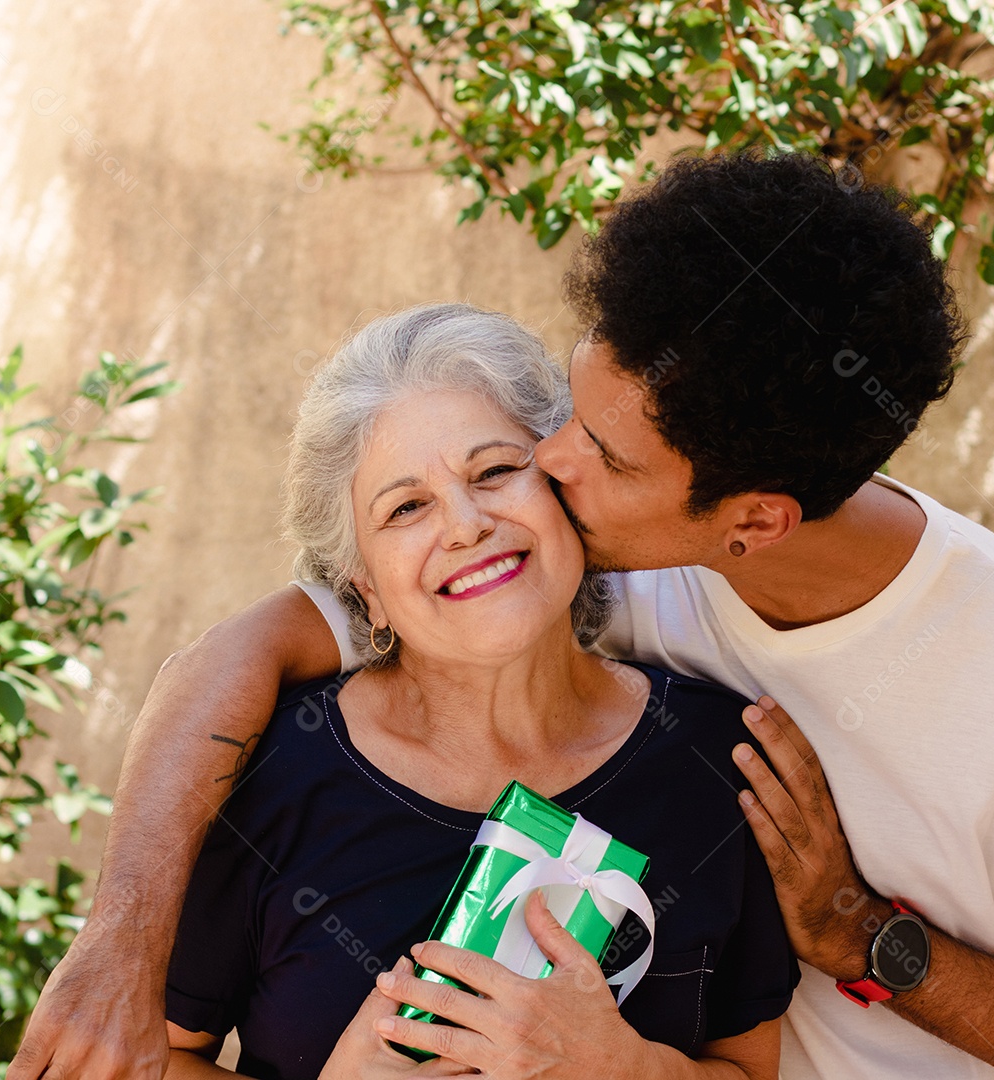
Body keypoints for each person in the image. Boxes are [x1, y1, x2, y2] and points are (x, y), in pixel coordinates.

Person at [7, 153, 994, 1080]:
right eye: (407, 508)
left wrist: (857, 941)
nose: (551, 462)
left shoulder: (854, 717)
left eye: (580, 457)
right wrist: (117, 939)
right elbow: (232, 656)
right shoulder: (563, 551)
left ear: (752, 523)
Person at [160, 303, 797, 1078]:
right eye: (406, 508)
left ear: (564, 486)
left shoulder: (716, 761)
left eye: (494, 471)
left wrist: (626, 1069)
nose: (465, 525)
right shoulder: (273, 778)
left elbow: (749, 1067)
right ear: (366, 590)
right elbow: (147, 1058)